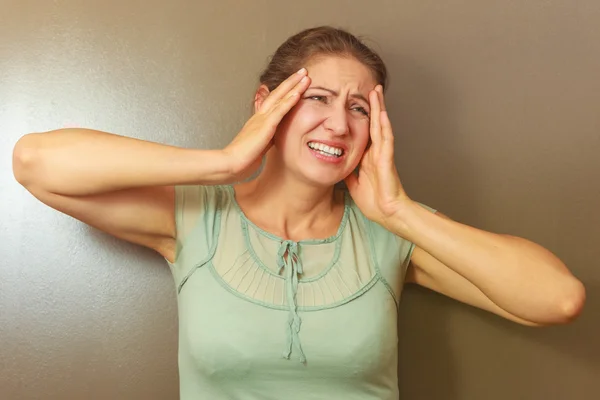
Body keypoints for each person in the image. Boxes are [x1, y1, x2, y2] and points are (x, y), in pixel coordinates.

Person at [12, 26, 585, 400]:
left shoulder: (391, 235)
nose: (338, 124)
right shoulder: (194, 220)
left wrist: (400, 211)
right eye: (318, 98)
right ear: (269, 104)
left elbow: (557, 299)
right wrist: (226, 162)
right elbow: (35, 161)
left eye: (359, 108)